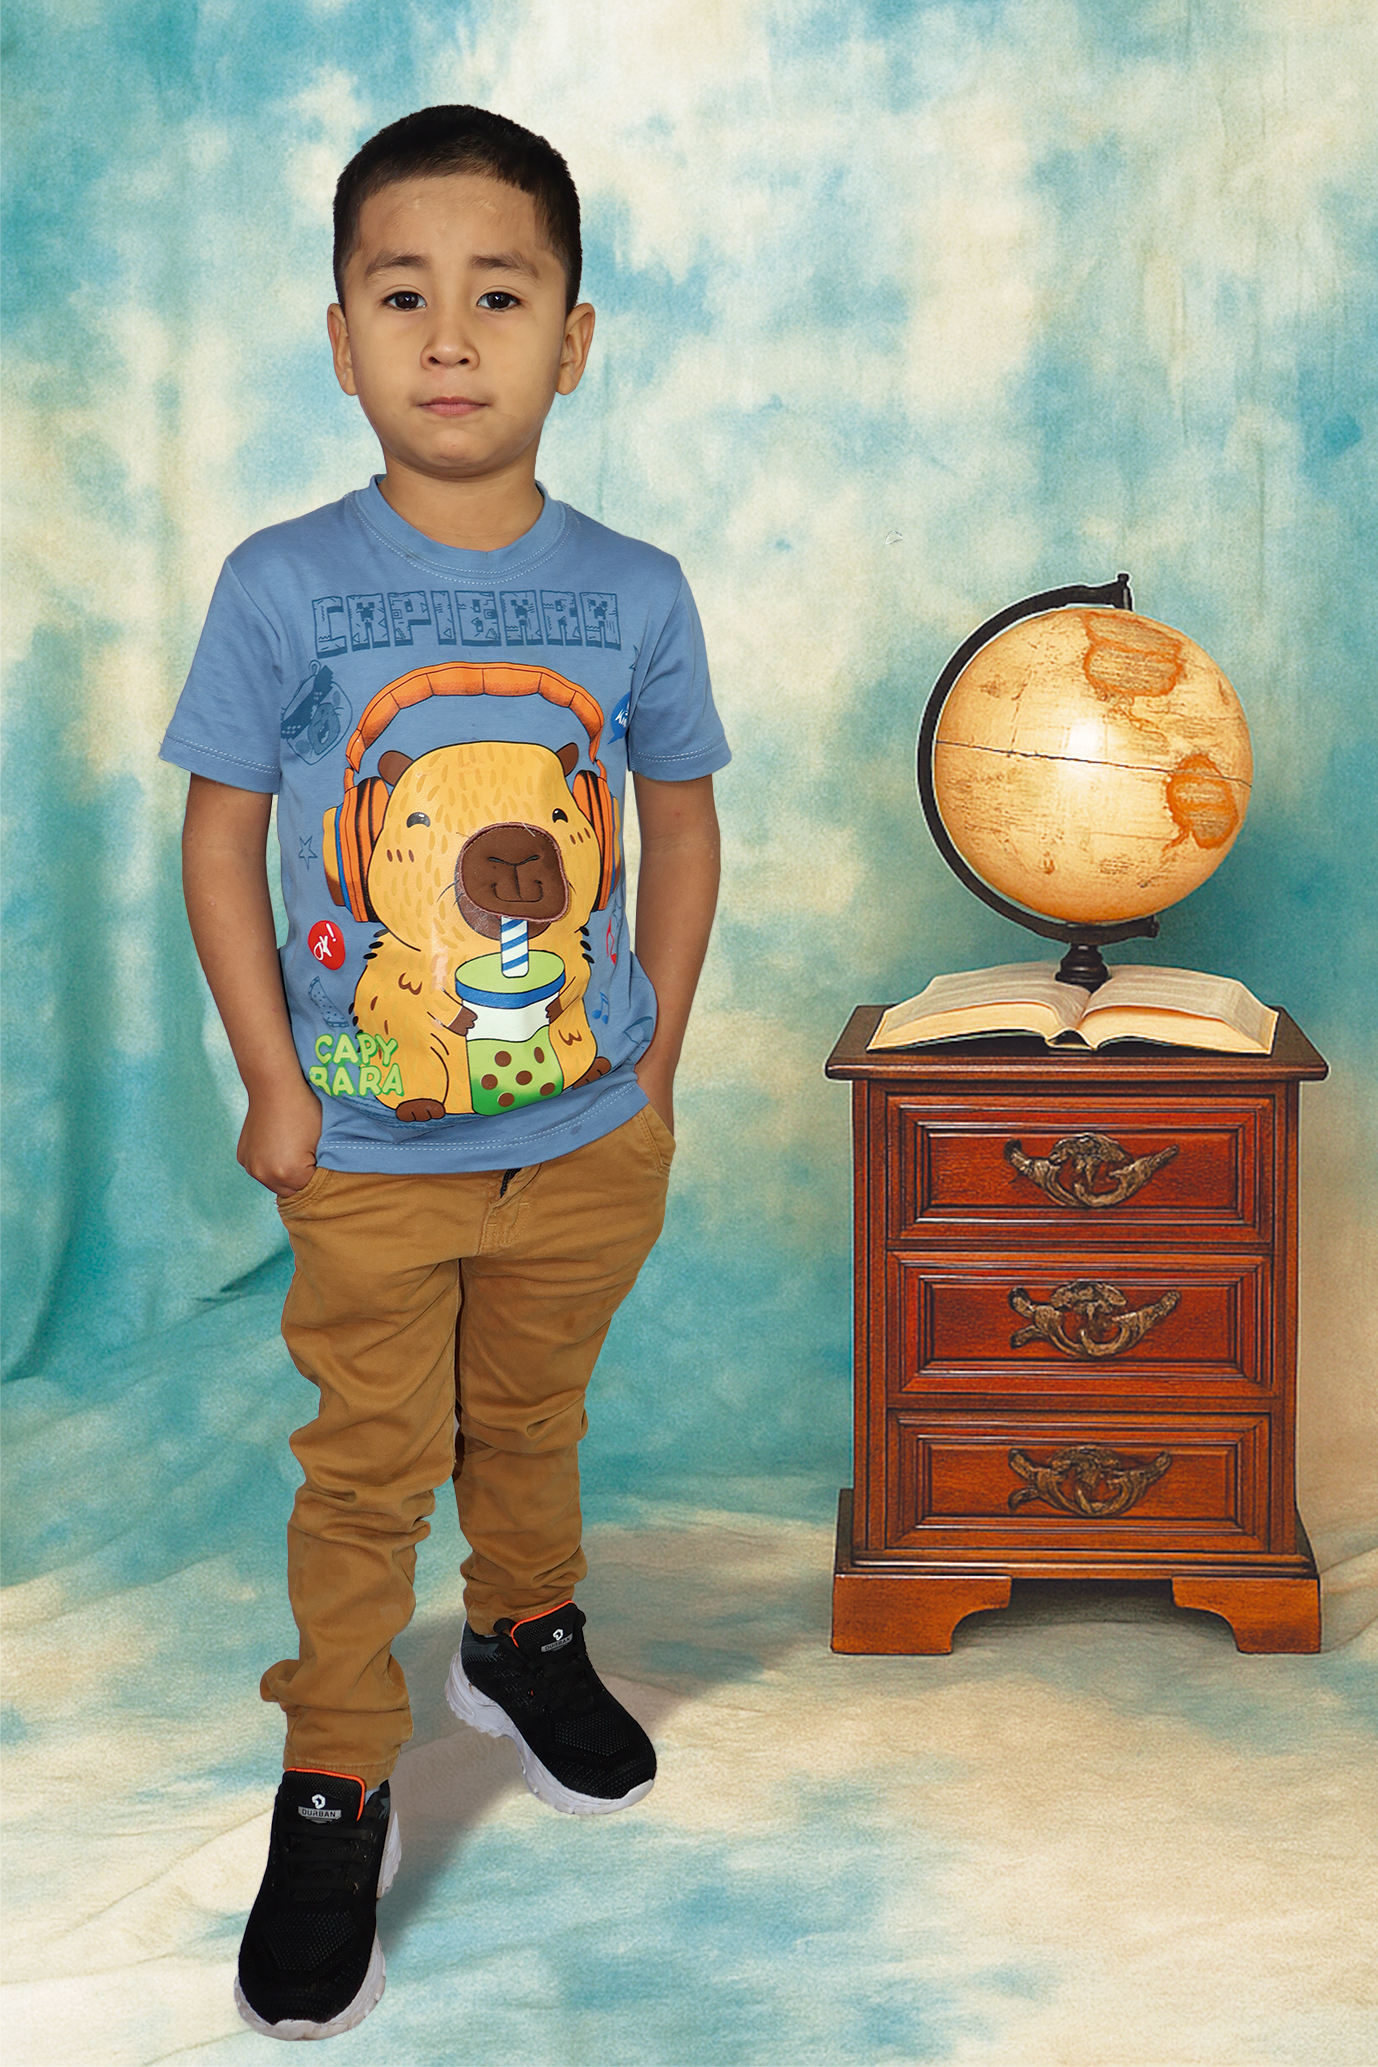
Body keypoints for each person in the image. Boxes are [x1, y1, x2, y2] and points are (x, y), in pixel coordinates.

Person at [161, 104, 727, 2041]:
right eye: (403, 296)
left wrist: (655, 1056)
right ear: (342, 341)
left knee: (534, 1411)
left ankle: (522, 1631)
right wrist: (273, 1079)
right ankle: (335, 1765)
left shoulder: (635, 590)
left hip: (585, 1134)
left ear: (575, 338)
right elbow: (222, 837)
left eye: (501, 294)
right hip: (365, 1148)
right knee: (367, 1465)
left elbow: (679, 823)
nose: (453, 336)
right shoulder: (281, 583)